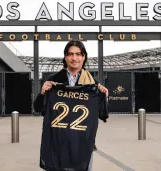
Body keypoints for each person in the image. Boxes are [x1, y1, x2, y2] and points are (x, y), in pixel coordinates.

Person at [34, 40, 109, 171]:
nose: (74, 58)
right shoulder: (54, 79)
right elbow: (37, 108)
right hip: (58, 142)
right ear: (65, 57)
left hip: (82, 144)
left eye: (78, 54)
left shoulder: (92, 83)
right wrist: (42, 93)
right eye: (70, 54)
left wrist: (104, 97)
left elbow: (102, 114)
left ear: (84, 57)